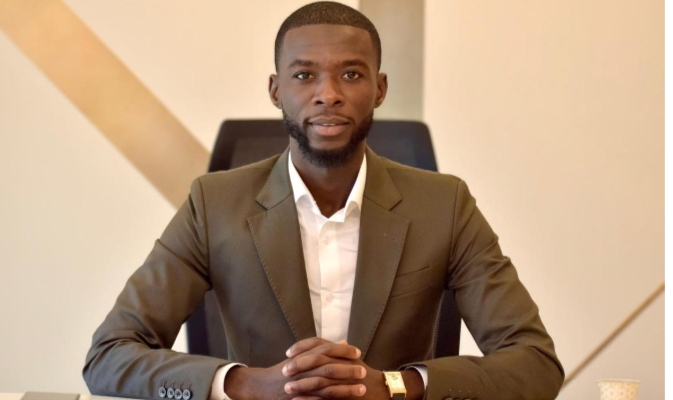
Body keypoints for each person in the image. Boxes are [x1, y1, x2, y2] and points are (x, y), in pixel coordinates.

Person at [83, 2, 564, 400]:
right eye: (304, 75)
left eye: (351, 74)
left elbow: (534, 362)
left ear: (379, 89)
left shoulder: (445, 205)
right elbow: (110, 354)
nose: (328, 95)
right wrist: (247, 384)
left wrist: (394, 386)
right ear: (276, 90)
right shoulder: (214, 204)